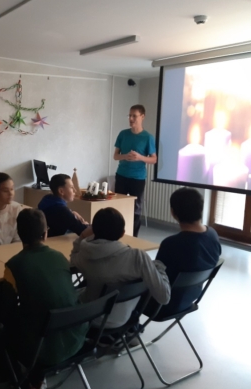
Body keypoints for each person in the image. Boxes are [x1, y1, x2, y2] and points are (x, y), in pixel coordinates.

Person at [0, 209, 88, 389]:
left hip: (41, 349)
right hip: (76, 338)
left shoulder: (13, 265)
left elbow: (6, 310)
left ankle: (23, 387)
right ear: (45, 233)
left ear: (19, 234)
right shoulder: (60, 257)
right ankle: (37, 382)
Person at [70, 207, 170, 329]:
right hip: (125, 316)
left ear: (93, 231)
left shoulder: (84, 257)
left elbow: (72, 260)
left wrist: (82, 236)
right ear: (123, 233)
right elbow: (164, 297)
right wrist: (159, 267)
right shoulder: (138, 257)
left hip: (91, 318)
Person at [145, 188, 221, 317]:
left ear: (173, 212)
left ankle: (126, 329)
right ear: (201, 209)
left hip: (160, 305)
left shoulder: (171, 244)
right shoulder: (213, 235)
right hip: (190, 298)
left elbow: (155, 276)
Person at [113, 104, 157, 237]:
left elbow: (154, 159)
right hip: (121, 175)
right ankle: (115, 235)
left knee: (135, 210)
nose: (131, 118)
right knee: (117, 207)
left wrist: (140, 157)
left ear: (142, 117)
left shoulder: (148, 137)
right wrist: (125, 156)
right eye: (129, 115)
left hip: (138, 178)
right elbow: (115, 156)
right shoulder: (123, 134)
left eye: (134, 116)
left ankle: (133, 237)